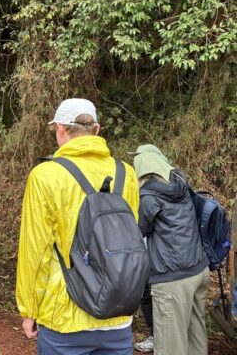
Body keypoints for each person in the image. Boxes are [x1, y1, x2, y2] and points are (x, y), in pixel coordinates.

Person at [16, 98, 140, 355]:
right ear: (97, 129)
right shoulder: (125, 173)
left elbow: (35, 251)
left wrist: (29, 309)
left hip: (64, 317)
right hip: (117, 314)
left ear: (60, 128)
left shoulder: (45, 175)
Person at [133, 144, 209, 355]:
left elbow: (138, 230)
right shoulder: (181, 185)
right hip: (199, 270)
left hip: (172, 279)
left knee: (170, 346)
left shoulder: (148, 196)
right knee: (196, 340)